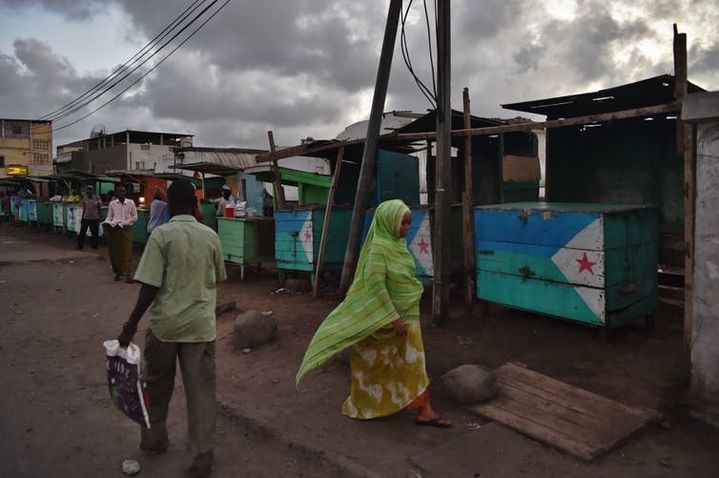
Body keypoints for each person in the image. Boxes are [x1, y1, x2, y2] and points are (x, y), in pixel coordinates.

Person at [296, 199, 451, 427]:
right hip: (387, 318)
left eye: (408, 224)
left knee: (414, 362)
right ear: (388, 222)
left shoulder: (398, 246)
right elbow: (376, 285)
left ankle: (425, 410)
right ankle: (368, 404)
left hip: (408, 313)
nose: (406, 229)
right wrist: (393, 317)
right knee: (375, 362)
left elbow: (404, 279)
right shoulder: (379, 247)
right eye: (403, 224)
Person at [117, 179, 227, 478]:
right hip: (200, 329)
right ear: (195, 203)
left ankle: (154, 442)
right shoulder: (210, 236)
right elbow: (218, 277)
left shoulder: (161, 236)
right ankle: (202, 458)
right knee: (201, 394)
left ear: (167, 205)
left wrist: (130, 325)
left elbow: (149, 286)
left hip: (165, 326)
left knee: (155, 387)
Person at [104, 185, 138, 282]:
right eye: (119, 191)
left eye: (123, 191)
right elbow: (109, 216)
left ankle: (128, 274)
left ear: (125, 192)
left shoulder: (130, 203)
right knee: (115, 252)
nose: (121, 193)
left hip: (126, 229)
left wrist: (125, 222)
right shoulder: (112, 204)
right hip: (114, 229)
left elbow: (135, 217)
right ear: (116, 193)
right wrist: (107, 222)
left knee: (126, 251)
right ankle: (118, 273)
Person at [77, 185, 102, 250]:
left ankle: (95, 246)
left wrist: (99, 216)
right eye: (88, 190)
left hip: (94, 218)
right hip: (86, 217)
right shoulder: (85, 198)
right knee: (82, 232)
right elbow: (84, 208)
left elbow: (99, 207)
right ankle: (80, 246)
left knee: (95, 233)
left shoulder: (97, 197)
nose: (89, 191)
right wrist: (82, 217)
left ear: (93, 191)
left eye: (90, 189)